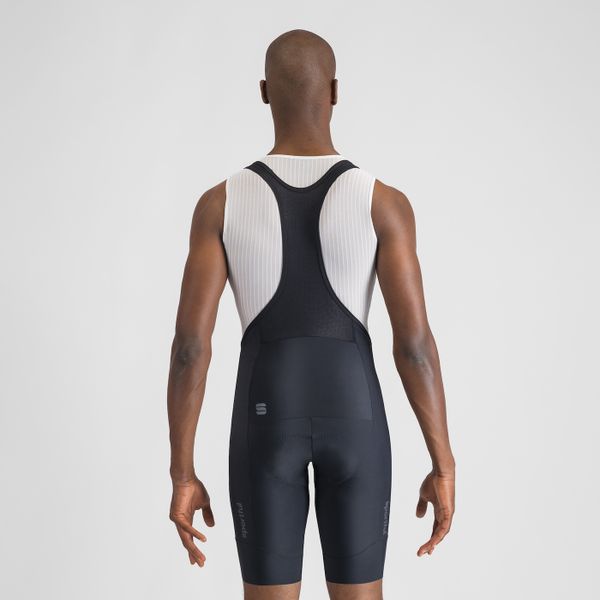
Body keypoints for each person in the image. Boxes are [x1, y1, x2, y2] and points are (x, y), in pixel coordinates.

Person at [167, 29, 455, 600]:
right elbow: (415, 346)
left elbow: (190, 350)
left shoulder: (220, 204)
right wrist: (443, 463)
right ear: (335, 91)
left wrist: (182, 472)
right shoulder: (383, 203)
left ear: (263, 92)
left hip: (263, 419)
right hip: (357, 420)